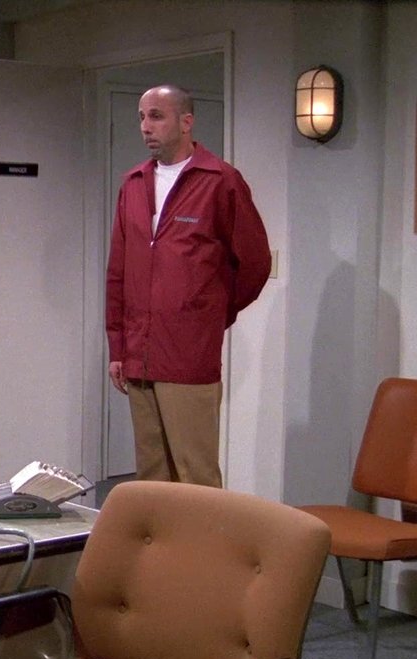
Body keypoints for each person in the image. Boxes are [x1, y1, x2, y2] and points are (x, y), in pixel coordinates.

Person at [105, 84, 271, 488]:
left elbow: (254, 264)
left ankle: (205, 537)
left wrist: (207, 314)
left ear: (186, 122)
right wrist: (118, 347)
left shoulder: (220, 181)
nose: (146, 127)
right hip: (139, 354)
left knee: (195, 475)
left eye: (156, 116)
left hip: (188, 356)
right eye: (141, 117)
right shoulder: (133, 183)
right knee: (151, 477)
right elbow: (118, 272)